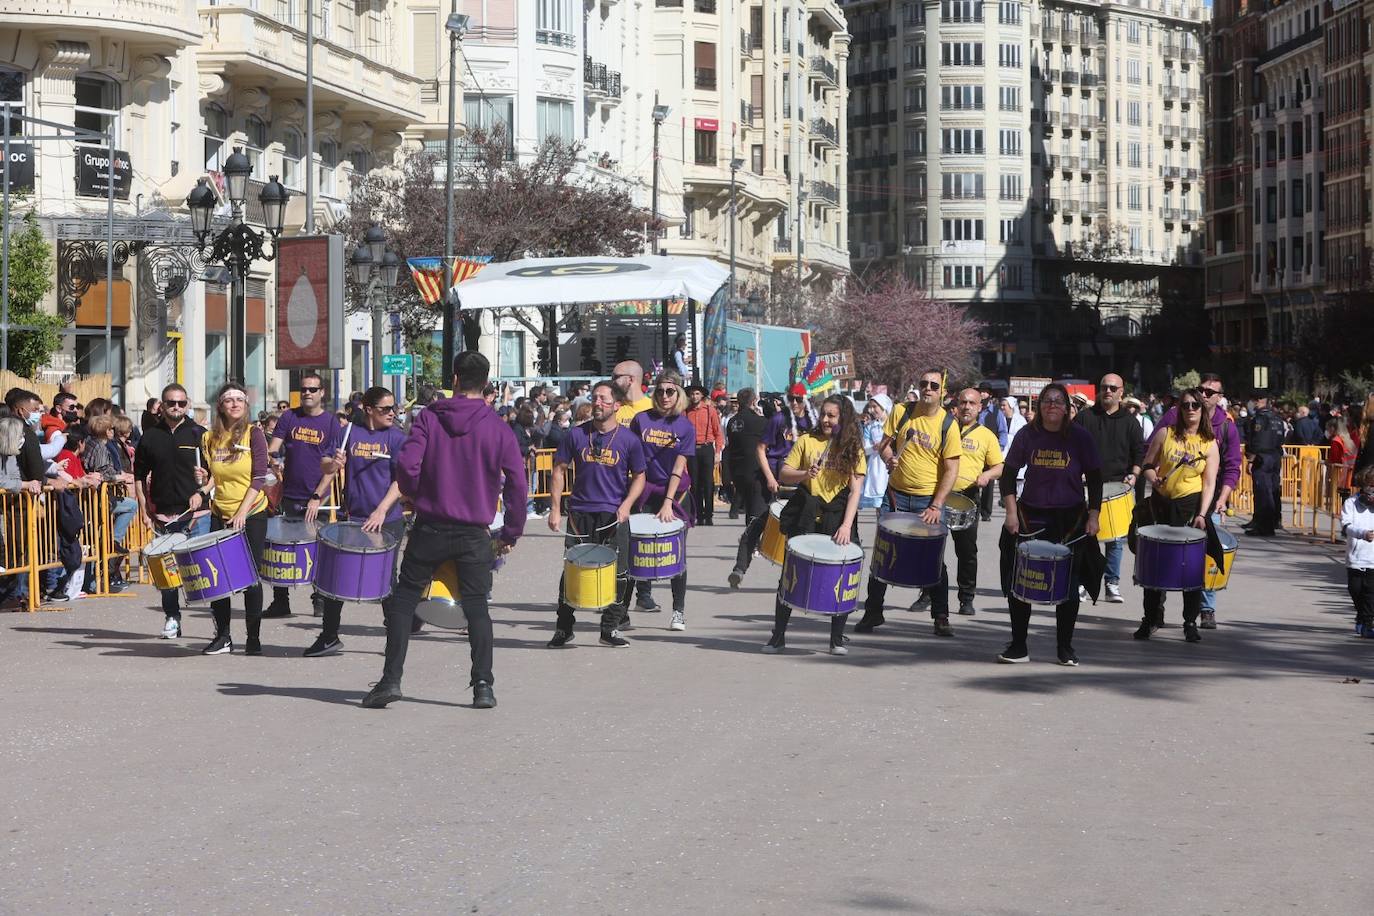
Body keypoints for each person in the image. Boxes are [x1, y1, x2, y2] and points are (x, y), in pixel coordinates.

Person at [361, 354, 527, 710]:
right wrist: (510, 532)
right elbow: (517, 484)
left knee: (404, 602)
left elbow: (407, 463)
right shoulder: (498, 427)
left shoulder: (430, 417)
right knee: (478, 608)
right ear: (486, 384)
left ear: (454, 378)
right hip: (473, 531)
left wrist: (418, 491)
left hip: (431, 525)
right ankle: (483, 685)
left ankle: (391, 680)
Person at [300, 386, 409, 658]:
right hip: (354, 517)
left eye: (393, 408)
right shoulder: (348, 432)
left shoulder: (397, 438)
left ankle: (394, 639)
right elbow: (325, 465)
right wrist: (333, 465)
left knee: (386, 580)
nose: (392, 413)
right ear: (368, 409)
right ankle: (329, 637)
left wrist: (381, 510)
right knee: (336, 574)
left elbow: (402, 481)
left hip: (387, 520)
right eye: (385, 409)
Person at [998, 383, 1103, 665]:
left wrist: (1094, 515)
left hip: (1070, 518)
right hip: (1032, 516)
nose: (1052, 405)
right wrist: (1010, 513)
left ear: (1068, 407)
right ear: (1039, 406)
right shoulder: (1027, 435)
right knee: (1022, 581)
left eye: (1058, 401)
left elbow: (1094, 478)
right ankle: (1018, 646)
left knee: (1068, 587)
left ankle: (1064, 648)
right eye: (1047, 400)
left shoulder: (1080, 437)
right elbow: (1007, 476)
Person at [854, 369, 962, 637]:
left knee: (934, 558)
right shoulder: (902, 411)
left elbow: (951, 470)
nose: (928, 388)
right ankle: (873, 612)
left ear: (942, 392)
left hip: (928, 501)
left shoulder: (948, 424)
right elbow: (885, 445)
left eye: (934, 386)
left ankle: (941, 616)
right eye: (924, 383)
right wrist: (890, 457)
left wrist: (936, 505)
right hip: (896, 496)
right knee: (883, 553)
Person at [761, 394, 866, 656]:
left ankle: (836, 638)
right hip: (805, 513)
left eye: (832, 415)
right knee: (790, 574)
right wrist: (804, 474)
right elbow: (784, 473)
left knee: (840, 577)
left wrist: (846, 525)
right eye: (823, 414)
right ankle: (778, 635)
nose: (826, 420)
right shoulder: (807, 440)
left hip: (838, 515)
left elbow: (855, 491)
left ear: (844, 418)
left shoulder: (853, 447)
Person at [547, 380, 646, 648]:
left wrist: (626, 505)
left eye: (603, 399)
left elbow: (640, 476)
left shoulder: (629, 440)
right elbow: (558, 471)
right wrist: (555, 510)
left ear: (616, 404)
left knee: (620, 573)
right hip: (580, 513)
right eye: (595, 398)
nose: (598, 403)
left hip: (614, 515)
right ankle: (563, 628)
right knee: (572, 570)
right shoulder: (577, 435)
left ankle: (609, 629)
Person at [191, 383, 272, 655]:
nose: (235, 404)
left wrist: (242, 512)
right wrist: (203, 486)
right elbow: (217, 474)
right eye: (229, 400)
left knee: (250, 577)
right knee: (219, 579)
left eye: (240, 400)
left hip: (252, 512)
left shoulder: (254, 434)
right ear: (220, 406)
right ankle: (223, 636)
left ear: (246, 405)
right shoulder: (209, 438)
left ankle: (253, 637)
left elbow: (259, 476)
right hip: (220, 512)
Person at [1136, 387, 1220, 643]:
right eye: (1186, 405)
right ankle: (1150, 619)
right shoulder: (1165, 433)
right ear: (1179, 409)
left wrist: (1203, 514)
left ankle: (1190, 622)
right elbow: (1148, 465)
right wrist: (1155, 479)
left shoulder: (1209, 443)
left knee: (1190, 569)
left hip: (1191, 508)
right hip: (1162, 505)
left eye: (1196, 405)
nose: (1191, 409)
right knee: (1155, 566)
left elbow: (1209, 483)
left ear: (1202, 410)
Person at [132, 384, 208, 637]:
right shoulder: (150, 437)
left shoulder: (200, 434)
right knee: (168, 575)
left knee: (203, 574)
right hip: (163, 514)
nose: (176, 407)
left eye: (181, 403)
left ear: (188, 405)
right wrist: (144, 509)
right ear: (161, 406)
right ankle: (172, 618)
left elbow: (217, 475)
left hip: (197, 515)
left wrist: (203, 488)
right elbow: (139, 476)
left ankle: (220, 626)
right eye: (171, 403)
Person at [265, 372, 338, 617]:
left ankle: (319, 600)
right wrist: (273, 459)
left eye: (313, 389)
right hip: (290, 493)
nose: (307, 393)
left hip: (317, 496)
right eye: (304, 388)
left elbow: (332, 468)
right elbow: (273, 448)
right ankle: (280, 601)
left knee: (318, 549)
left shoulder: (330, 423)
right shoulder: (289, 417)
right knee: (281, 547)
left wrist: (317, 496)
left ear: (322, 393)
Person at [628, 371, 696, 631]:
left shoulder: (685, 426)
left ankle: (678, 611)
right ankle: (624, 610)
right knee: (635, 552)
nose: (665, 396)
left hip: (674, 492)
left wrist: (668, 502)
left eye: (670, 391)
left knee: (675, 554)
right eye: (660, 391)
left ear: (679, 394)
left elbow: (679, 467)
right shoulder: (641, 420)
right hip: (645, 490)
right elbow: (633, 458)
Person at [1074, 373, 1144, 604]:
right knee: (1086, 536)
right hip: (1088, 486)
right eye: (1104, 387)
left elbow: (1138, 454)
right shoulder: (1085, 418)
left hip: (1118, 487)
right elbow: (1071, 446)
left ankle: (1111, 584)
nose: (1108, 391)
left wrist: (1134, 475)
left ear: (1121, 392)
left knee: (1115, 539)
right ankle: (1083, 582)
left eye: (1113, 388)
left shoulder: (1131, 422)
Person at [947, 388, 1004, 616]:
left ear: (980, 407)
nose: (966, 407)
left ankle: (966, 598)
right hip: (939, 497)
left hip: (967, 498)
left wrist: (987, 476)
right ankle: (927, 594)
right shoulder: (946, 429)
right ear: (956, 406)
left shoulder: (986, 435)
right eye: (963, 402)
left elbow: (999, 466)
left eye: (972, 403)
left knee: (966, 551)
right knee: (932, 549)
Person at [726, 389, 782, 588]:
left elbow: (730, 449)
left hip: (739, 474)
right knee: (756, 519)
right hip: (759, 475)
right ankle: (746, 558)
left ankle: (742, 565)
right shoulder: (761, 422)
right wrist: (774, 414)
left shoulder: (732, 422)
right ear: (753, 402)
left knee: (751, 511)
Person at [1245, 393, 1286, 538]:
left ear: (1259, 401)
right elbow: (1282, 438)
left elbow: (1256, 441)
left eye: (1255, 400)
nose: (1253, 403)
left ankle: (1264, 527)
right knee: (1273, 491)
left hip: (1263, 458)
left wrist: (1250, 459)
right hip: (1275, 457)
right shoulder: (1277, 418)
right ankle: (1272, 521)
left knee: (1263, 492)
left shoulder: (1259, 419)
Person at [1340, 467, 1374, 638]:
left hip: (1373, 559)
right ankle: (1361, 616)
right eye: (1370, 485)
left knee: (1370, 593)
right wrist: (1363, 534)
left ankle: (1368, 623)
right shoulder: (1351, 503)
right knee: (1355, 590)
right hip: (1355, 557)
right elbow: (1346, 526)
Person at [684, 383, 721, 526]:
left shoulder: (710, 410)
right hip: (692, 449)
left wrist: (718, 451)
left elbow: (718, 433)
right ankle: (698, 514)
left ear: (702, 396)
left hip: (706, 448)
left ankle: (709, 514)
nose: (694, 396)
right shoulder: (686, 411)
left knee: (708, 483)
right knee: (695, 483)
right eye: (692, 394)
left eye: (697, 394)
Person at [976, 386, 1009, 521]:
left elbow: (1002, 431)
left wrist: (998, 448)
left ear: (989, 394)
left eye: (985, 392)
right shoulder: (975, 410)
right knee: (973, 481)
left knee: (988, 484)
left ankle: (986, 512)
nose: (982, 394)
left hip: (989, 453)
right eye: (980, 392)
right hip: (975, 451)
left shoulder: (997, 412)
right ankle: (974, 509)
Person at [859, 394, 891, 509]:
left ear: (883, 406)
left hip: (888, 463)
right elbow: (865, 448)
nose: (871, 410)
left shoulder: (892, 425)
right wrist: (874, 447)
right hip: (875, 466)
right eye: (870, 407)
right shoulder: (870, 427)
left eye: (874, 407)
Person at [613, 360, 652, 427]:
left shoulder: (655, 408)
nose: (613, 381)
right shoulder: (613, 408)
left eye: (616, 377)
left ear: (630, 379)